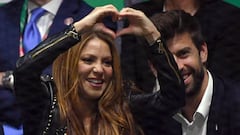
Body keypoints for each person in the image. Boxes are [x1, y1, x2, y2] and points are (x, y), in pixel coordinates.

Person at [13, 5, 185, 135]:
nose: (99, 69)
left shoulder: (124, 104)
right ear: (71, 64)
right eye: (88, 60)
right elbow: (23, 70)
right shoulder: (46, 100)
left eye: (107, 63)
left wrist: (152, 35)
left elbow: (174, 98)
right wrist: (78, 28)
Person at [0, 0, 116, 131]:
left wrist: (7, 78)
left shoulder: (91, 17)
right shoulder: (3, 16)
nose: (99, 68)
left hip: (67, 123)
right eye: (88, 60)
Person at [149, 10, 240, 135]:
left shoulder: (236, 106)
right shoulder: (152, 117)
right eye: (167, 60)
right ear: (153, 68)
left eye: (183, 54)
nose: (178, 67)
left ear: (203, 52)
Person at [120, 0, 240, 94]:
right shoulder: (138, 16)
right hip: (149, 118)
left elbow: (224, 86)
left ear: (203, 50)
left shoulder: (228, 18)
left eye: (183, 53)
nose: (176, 65)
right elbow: (129, 84)